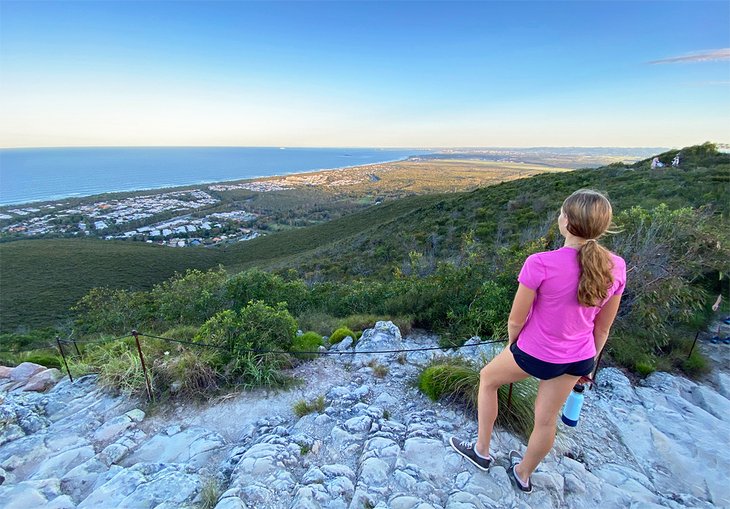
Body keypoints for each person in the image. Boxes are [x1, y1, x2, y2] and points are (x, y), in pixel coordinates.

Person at [449, 189, 626, 493]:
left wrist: (513, 346)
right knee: (545, 421)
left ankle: (481, 451)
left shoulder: (540, 263)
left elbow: (516, 319)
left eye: (561, 213)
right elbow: (602, 329)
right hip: (579, 358)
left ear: (567, 222)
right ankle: (523, 475)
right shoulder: (616, 266)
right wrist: (590, 367)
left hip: (535, 353)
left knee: (488, 379)